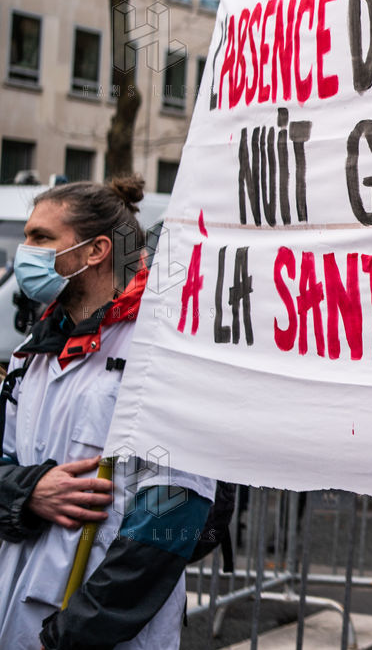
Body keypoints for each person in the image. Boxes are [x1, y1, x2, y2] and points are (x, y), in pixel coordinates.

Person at [0, 178, 216, 649]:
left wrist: (72, 634)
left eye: (41, 237)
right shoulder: (29, 353)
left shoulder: (162, 350)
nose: (25, 251)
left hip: (95, 635)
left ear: (96, 250)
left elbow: (169, 515)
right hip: (16, 614)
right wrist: (29, 491)